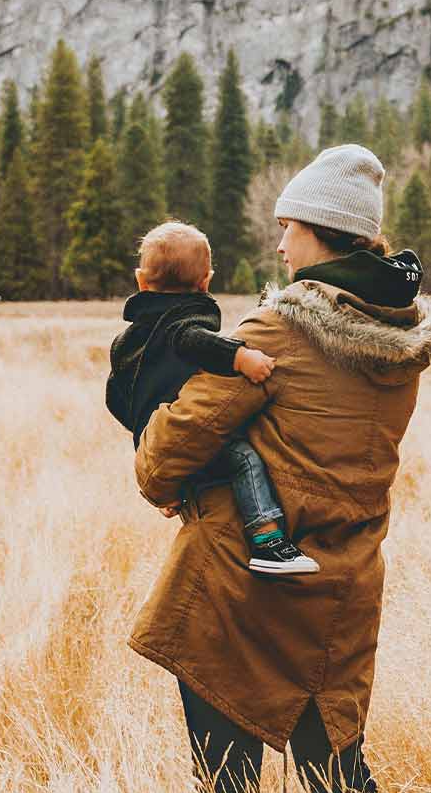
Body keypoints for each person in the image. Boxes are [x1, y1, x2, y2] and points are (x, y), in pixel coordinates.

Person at [129, 143, 431, 793]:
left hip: (241, 593)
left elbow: (167, 454)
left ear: (322, 232)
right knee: (338, 777)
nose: (279, 243)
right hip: (342, 590)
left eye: (289, 226)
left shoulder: (277, 332)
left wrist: (159, 461)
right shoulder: (399, 339)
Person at [104, 221, 318, 575]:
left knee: (203, 474)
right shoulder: (182, 322)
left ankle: (178, 489)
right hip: (181, 436)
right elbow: (193, 340)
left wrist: (144, 434)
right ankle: (267, 540)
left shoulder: (130, 341)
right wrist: (241, 358)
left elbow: (114, 398)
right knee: (244, 459)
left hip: (151, 438)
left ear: (141, 281)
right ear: (206, 281)